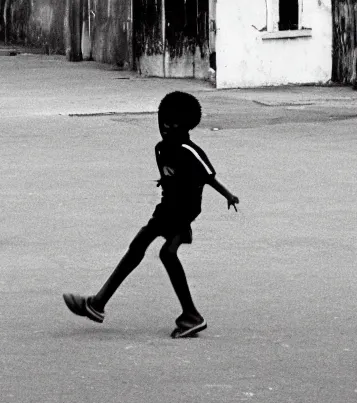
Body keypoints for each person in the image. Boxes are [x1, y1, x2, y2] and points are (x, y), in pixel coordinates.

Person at [63, 91, 239, 338]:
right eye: (163, 121)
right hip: (166, 210)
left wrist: (228, 196)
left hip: (183, 213)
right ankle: (98, 303)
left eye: (174, 123)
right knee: (138, 247)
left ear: (186, 126)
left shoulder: (190, 151)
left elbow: (209, 177)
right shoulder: (160, 149)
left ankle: (192, 316)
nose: (166, 127)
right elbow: (170, 179)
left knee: (167, 253)